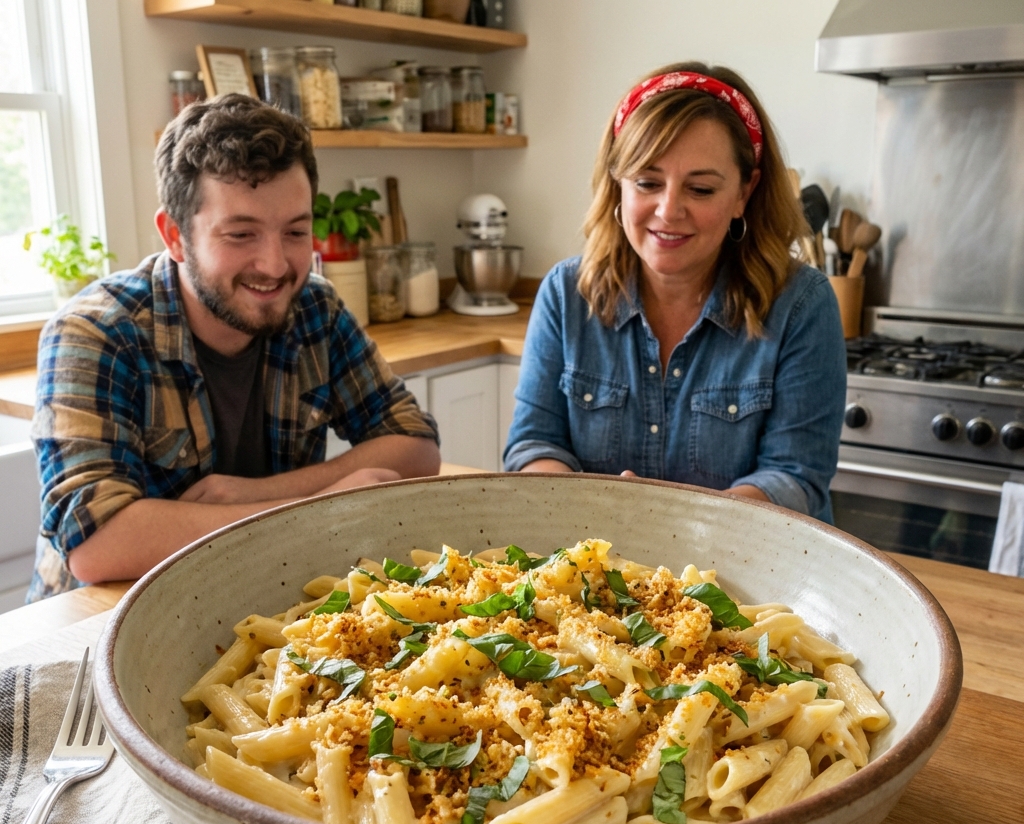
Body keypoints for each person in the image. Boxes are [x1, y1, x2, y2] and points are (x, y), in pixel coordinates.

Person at [29, 95, 440, 600]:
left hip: (255, 598)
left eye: (295, 231)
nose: (274, 264)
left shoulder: (315, 308)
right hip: (95, 623)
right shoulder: (93, 332)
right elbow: (98, 544)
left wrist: (254, 493)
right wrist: (319, 506)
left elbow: (417, 447)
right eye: (241, 233)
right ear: (175, 236)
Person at [504, 62, 846, 521]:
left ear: (745, 192)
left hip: (746, 574)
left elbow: (795, 479)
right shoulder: (566, 293)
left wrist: (669, 517)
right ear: (617, 184)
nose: (668, 211)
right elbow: (533, 445)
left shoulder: (802, 304)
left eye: (701, 189)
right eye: (647, 183)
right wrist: (586, 504)